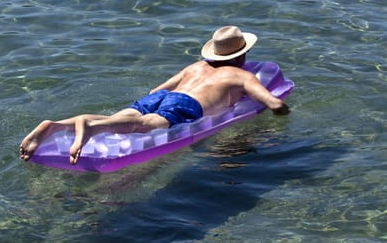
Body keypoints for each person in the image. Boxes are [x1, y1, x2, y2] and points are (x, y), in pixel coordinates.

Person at [20, 25, 289, 165]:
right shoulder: (240, 75)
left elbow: (156, 91)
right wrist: (283, 114)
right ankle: (91, 127)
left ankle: (57, 126)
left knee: (127, 117)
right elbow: (273, 102)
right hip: (187, 106)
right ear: (242, 55)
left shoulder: (195, 67)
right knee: (145, 126)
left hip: (160, 99)